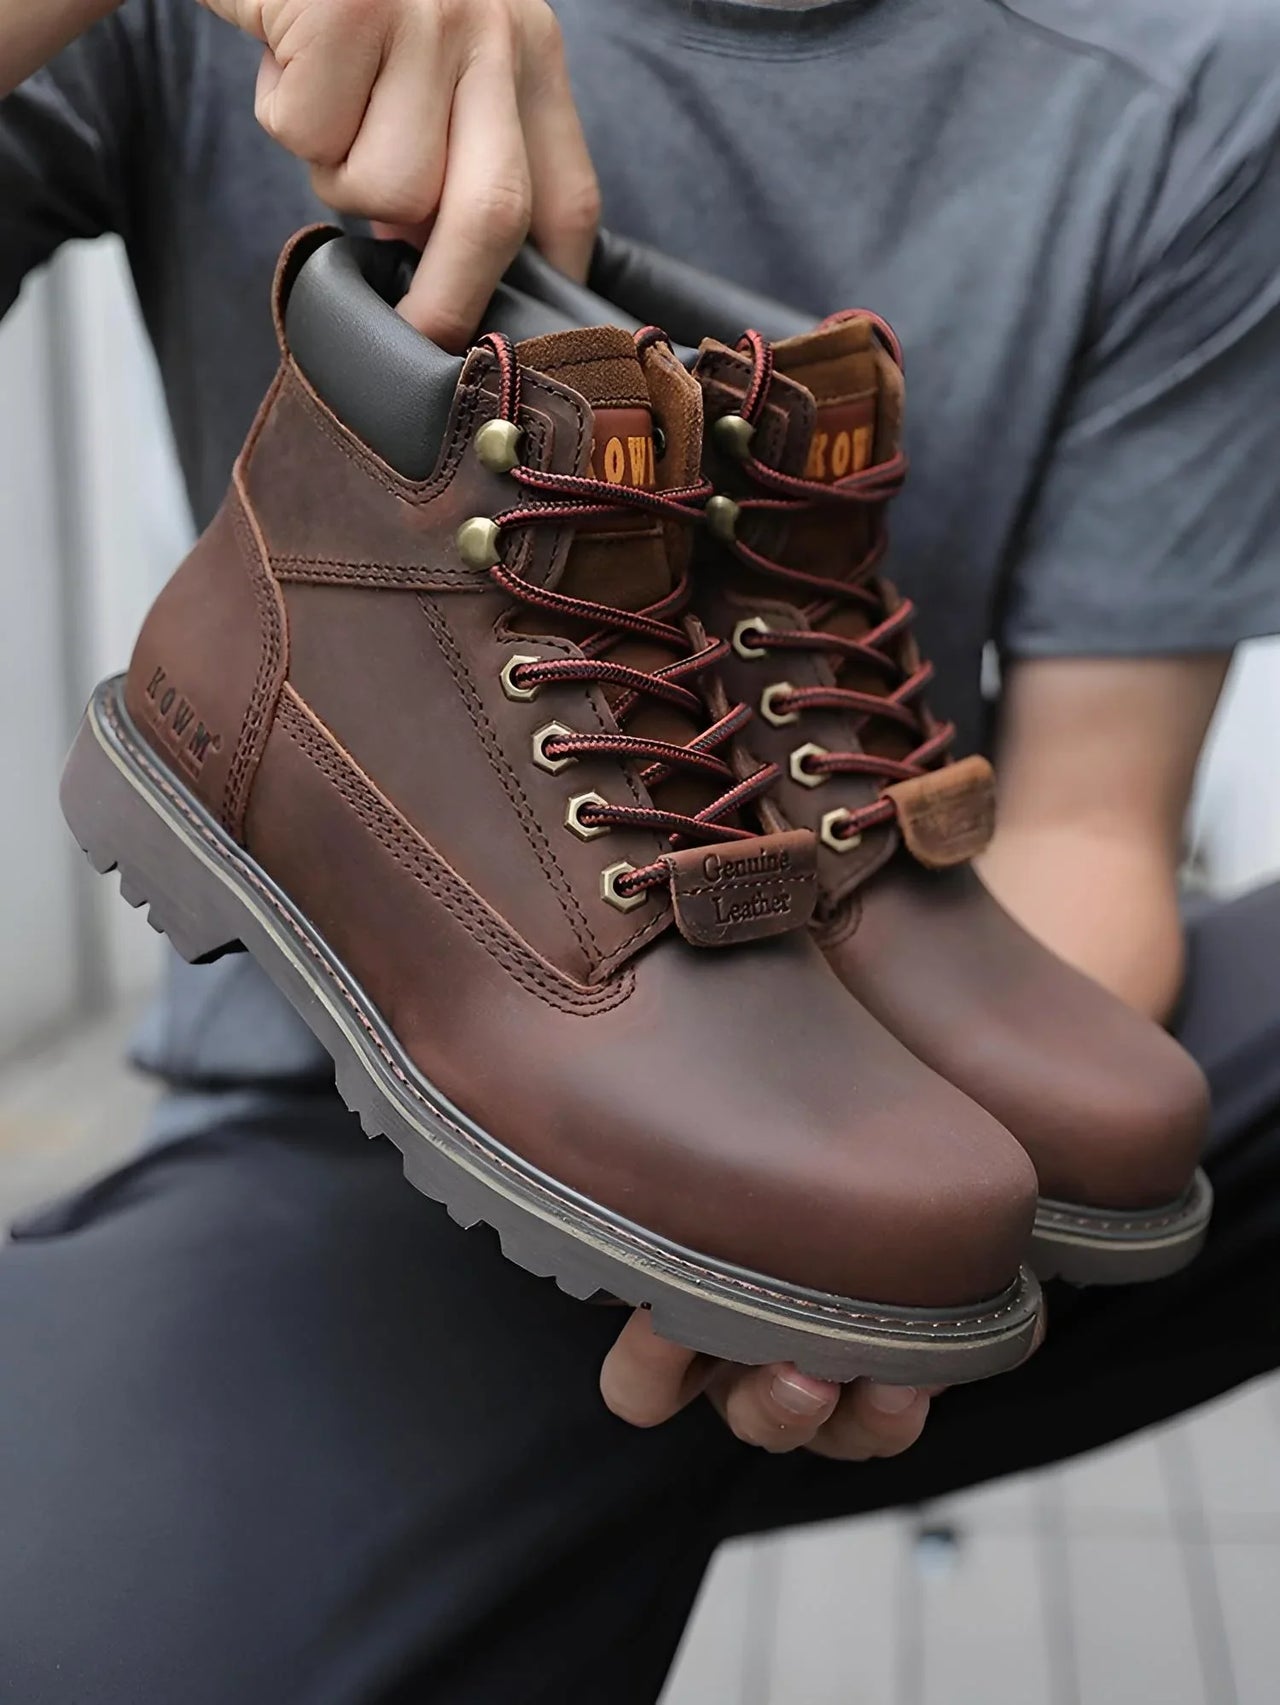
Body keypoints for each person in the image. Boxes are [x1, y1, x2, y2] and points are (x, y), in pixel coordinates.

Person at [1, 1, 1277, 1699]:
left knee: (1011, 1171)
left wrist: (856, 1188)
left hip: (805, 1029)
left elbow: (1091, 828)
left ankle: (770, 1236)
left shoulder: (1191, 69)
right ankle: (272, 723)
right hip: (317, 1139)